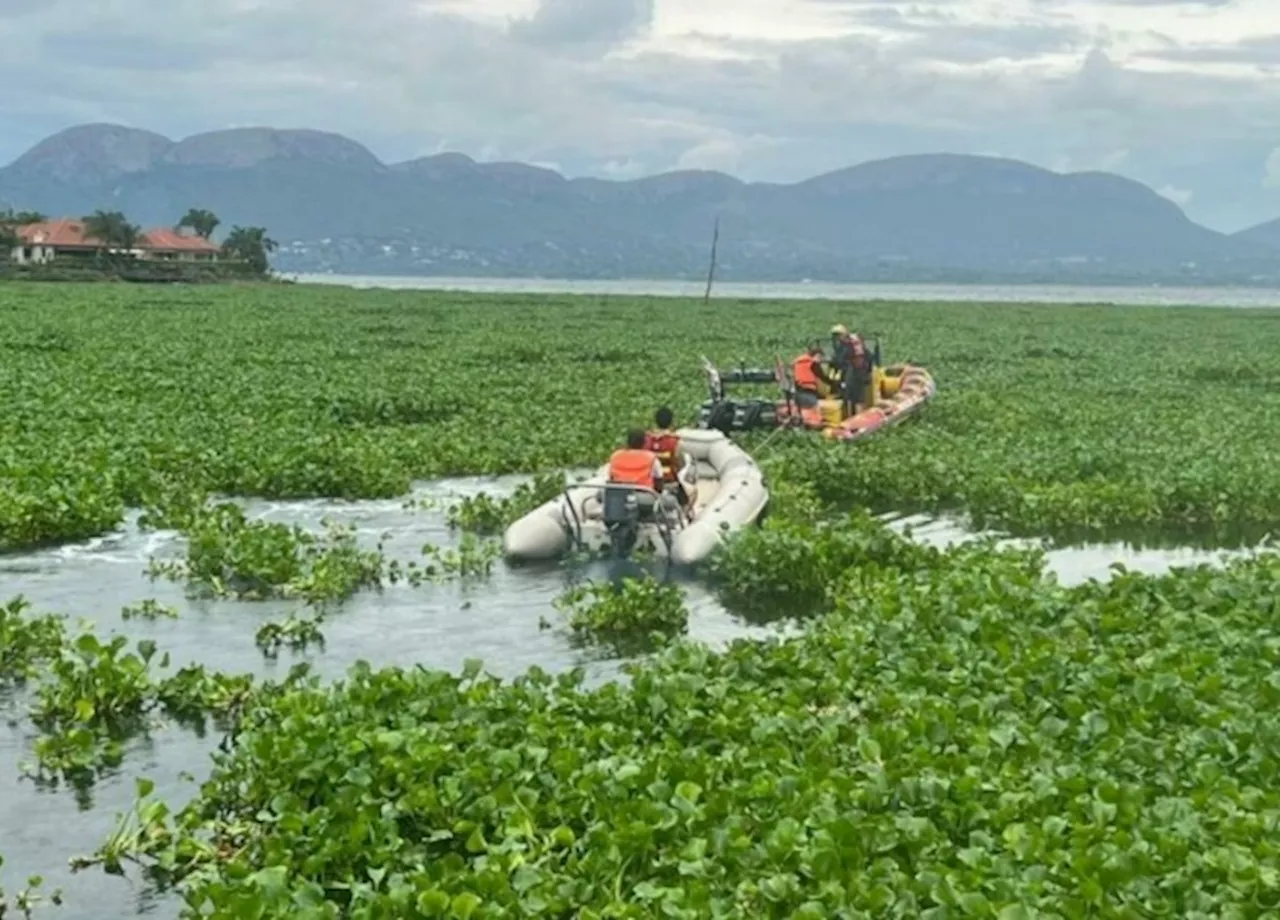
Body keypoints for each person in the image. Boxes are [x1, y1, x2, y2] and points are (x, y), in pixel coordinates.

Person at [645, 407, 696, 517]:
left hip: (649, 482)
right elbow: (681, 463)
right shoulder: (674, 442)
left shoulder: (647, 440)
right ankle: (683, 517)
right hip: (669, 483)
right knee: (692, 492)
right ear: (671, 422)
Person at [608, 427, 663, 495]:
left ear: (627, 442)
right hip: (644, 496)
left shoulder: (615, 456)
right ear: (644, 442)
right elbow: (659, 484)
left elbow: (611, 478)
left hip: (619, 496)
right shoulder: (651, 458)